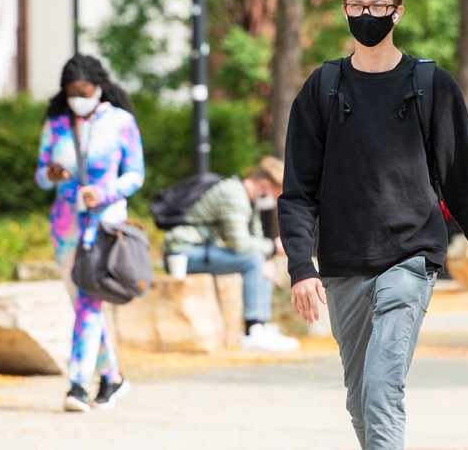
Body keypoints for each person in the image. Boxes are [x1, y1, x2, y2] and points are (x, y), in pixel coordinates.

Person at [279, 0, 468, 450]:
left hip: (410, 258)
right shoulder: (322, 89)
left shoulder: (431, 87)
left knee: (383, 388)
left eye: (377, 6)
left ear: (397, 13)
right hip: (343, 263)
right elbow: (298, 191)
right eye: (357, 5)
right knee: (360, 397)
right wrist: (302, 267)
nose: (367, 14)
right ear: (345, 9)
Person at [35, 54, 144, 412]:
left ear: (98, 88)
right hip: (65, 225)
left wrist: (105, 192)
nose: (76, 98)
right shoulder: (56, 124)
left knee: (87, 300)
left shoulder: (121, 122)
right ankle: (111, 377)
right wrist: (49, 175)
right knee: (81, 301)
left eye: (83, 91)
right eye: (71, 92)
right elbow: (40, 174)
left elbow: (135, 175)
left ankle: (78, 384)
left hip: (105, 224)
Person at [162, 156, 301, 352]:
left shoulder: (248, 200)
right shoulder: (233, 195)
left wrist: (267, 256)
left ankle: (260, 323)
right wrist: (272, 248)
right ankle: (253, 329)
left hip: (200, 250)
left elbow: (255, 238)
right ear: (264, 186)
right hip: (182, 252)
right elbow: (240, 244)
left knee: (258, 259)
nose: (274, 203)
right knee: (252, 260)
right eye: (276, 195)